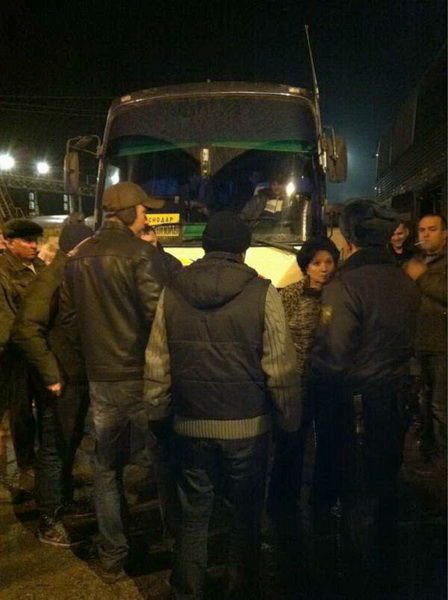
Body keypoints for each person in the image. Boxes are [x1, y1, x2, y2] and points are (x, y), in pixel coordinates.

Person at [144, 211, 300, 600]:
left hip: (191, 423)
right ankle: (240, 587)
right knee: (245, 516)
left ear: (205, 246)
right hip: (248, 426)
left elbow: (157, 360)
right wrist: (289, 419)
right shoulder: (262, 292)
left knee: (194, 516)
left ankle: (187, 590)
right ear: (243, 249)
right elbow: (280, 366)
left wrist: (158, 412)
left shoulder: (172, 291)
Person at [58, 182, 167, 582]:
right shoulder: (141, 254)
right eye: (143, 209)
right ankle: (174, 543)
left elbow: (70, 320)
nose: (147, 215)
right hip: (139, 375)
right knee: (161, 459)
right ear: (129, 212)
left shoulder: (79, 257)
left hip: (101, 378)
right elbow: (158, 319)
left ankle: (112, 554)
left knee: (106, 466)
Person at [311, 199, 420, 596]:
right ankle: (388, 571)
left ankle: (359, 580)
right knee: (386, 487)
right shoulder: (404, 282)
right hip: (395, 397)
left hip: (355, 404)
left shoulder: (344, 286)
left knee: (356, 492)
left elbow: (334, 354)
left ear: (349, 238)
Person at [12, 222, 93, 547]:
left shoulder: (69, 275)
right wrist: (51, 374)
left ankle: (61, 501)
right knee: (54, 448)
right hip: (61, 379)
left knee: (67, 444)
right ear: (77, 248)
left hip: (73, 375)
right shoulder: (51, 279)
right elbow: (25, 330)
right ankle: (48, 519)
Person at [0, 218, 45, 495]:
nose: (34, 246)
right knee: (21, 412)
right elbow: (7, 322)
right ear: (9, 242)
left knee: (43, 410)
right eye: (27, 241)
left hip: (41, 351)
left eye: (35, 241)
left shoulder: (39, 266)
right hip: (16, 357)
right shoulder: (4, 272)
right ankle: (26, 465)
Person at [405, 214, 447, 460]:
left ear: (445, 234)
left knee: (441, 405)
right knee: (423, 400)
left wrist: (421, 276)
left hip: (442, 345)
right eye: (422, 230)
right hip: (418, 342)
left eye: (432, 229)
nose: (426, 234)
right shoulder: (416, 261)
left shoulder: (425, 267)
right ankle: (428, 449)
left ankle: (443, 459)